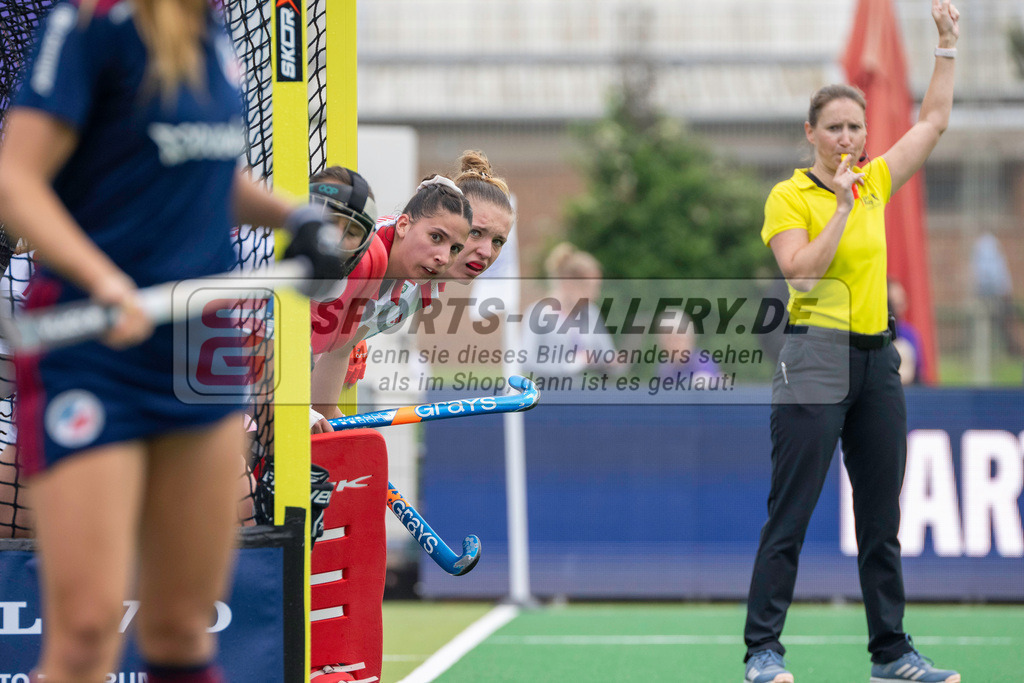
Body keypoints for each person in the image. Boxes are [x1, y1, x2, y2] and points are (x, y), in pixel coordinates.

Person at [0, 1, 353, 680]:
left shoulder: (213, 33)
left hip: (197, 358)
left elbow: (207, 174)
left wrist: (295, 216)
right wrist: (102, 280)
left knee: (183, 628)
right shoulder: (89, 25)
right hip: (92, 358)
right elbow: (16, 180)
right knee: (86, 629)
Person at [743, 2, 961, 682]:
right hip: (814, 356)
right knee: (793, 512)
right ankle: (763, 651)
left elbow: (932, 122)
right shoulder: (793, 196)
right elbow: (801, 269)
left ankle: (892, 652)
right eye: (834, 127)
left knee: (881, 519)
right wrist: (837, 206)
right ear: (811, 132)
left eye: (856, 128)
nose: (847, 138)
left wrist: (947, 46)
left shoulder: (876, 181)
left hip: (876, 362)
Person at [521, 242, 619, 385]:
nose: (595, 295)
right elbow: (526, 362)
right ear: (569, 283)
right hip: (549, 396)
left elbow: (607, 353)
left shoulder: (590, 312)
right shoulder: (538, 313)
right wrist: (571, 364)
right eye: (590, 287)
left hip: (585, 395)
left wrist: (610, 361)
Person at [887, 279, 923, 385]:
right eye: (894, 301)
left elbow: (919, 372)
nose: (900, 304)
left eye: (902, 299)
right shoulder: (875, 332)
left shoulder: (909, 334)